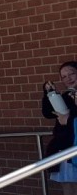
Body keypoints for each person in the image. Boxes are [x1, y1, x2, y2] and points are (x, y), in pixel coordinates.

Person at [43, 61, 77, 195]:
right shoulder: (66, 96)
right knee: (69, 187)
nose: (68, 78)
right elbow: (48, 113)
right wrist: (50, 93)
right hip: (66, 147)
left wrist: (68, 120)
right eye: (64, 77)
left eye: (72, 74)